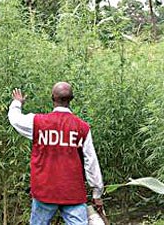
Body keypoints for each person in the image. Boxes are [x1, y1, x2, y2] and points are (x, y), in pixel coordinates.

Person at [8, 82, 104, 225]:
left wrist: (17, 102)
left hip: (44, 191)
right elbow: (91, 162)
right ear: (72, 98)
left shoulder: (38, 123)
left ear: (52, 98)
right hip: (73, 193)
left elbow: (15, 119)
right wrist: (97, 193)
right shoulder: (82, 128)